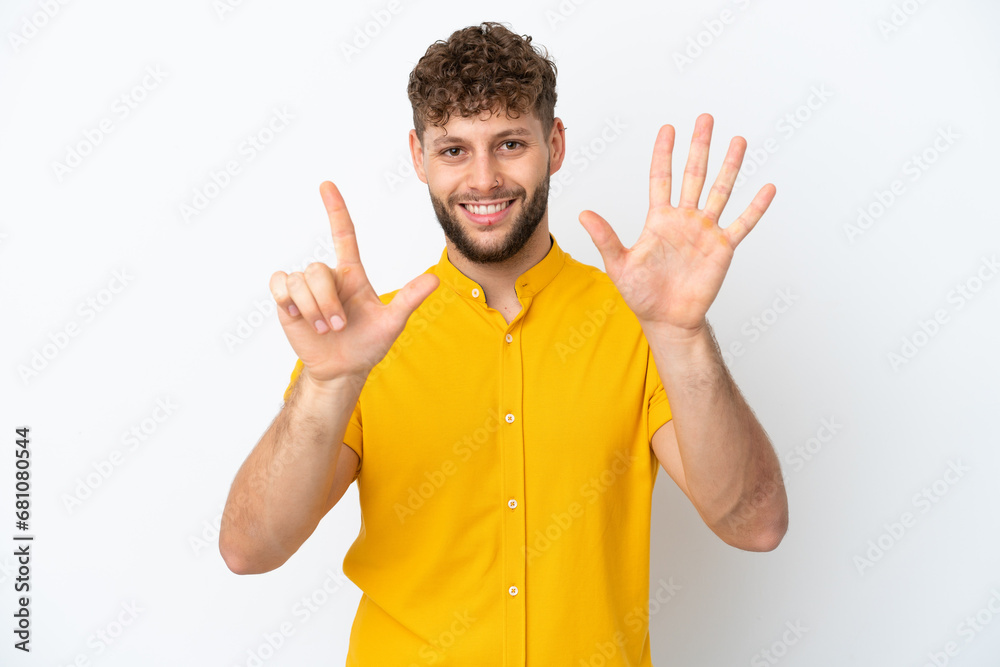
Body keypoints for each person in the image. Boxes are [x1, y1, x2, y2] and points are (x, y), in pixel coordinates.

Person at [220, 21, 788, 666]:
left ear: (556, 142)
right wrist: (325, 385)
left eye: (510, 143)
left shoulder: (642, 324)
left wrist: (681, 335)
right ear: (418, 156)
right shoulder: (359, 343)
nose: (483, 179)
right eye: (454, 150)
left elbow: (754, 525)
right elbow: (250, 550)